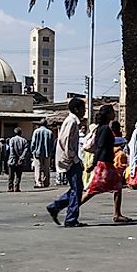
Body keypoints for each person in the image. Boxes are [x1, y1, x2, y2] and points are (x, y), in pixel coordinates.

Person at [80, 104, 129, 223]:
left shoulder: (102, 128)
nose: (114, 114)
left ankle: (117, 214)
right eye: (112, 112)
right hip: (104, 163)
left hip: (106, 162)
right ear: (107, 114)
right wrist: (93, 164)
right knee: (93, 190)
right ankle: (73, 208)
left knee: (117, 187)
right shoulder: (105, 129)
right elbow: (100, 147)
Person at [47, 97, 86, 227]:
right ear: (76, 109)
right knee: (76, 190)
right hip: (70, 160)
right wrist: (74, 159)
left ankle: (56, 206)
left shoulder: (72, 121)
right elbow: (66, 141)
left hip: (70, 158)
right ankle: (71, 218)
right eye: (83, 109)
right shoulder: (72, 122)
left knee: (77, 189)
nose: (84, 111)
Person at [30, 119, 54, 189]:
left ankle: (38, 182)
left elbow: (33, 143)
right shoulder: (49, 132)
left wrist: (33, 151)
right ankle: (46, 182)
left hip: (37, 152)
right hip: (47, 153)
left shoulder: (36, 131)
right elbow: (52, 144)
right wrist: (50, 152)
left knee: (38, 168)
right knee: (47, 168)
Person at [7, 127, 31, 192]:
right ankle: (16, 187)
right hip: (20, 160)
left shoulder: (12, 140)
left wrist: (14, 157)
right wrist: (21, 158)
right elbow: (26, 150)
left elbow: (11, 150)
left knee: (11, 175)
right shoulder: (24, 140)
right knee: (18, 175)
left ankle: (10, 187)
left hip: (12, 160)